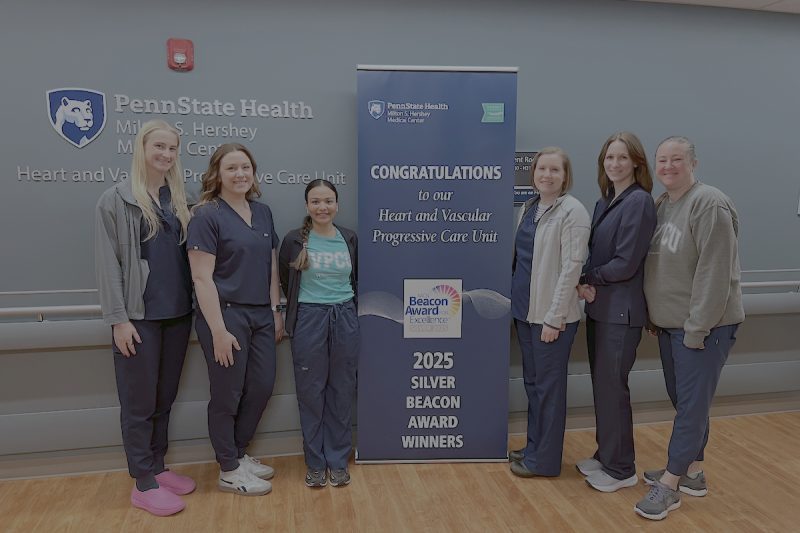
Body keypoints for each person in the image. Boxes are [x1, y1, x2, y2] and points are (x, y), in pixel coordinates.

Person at [635, 136, 744, 520]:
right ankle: (694, 472)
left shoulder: (709, 203)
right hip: (670, 327)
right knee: (686, 403)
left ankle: (669, 484)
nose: (668, 166)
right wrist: (654, 315)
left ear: (693, 163)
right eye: (662, 160)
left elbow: (715, 274)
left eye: (676, 159)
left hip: (703, 328)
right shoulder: (662, 205)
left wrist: (697, 328)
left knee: (691, 409)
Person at [95, 119, 195, 516]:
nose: (166, 155)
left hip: (177, 315)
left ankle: (158, 464)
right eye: (159, 146)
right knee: (138, 403)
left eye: (172, 148)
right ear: (141, 147)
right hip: (138, 320)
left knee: (163, 399)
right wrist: (118, 319)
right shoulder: (115, 200)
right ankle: (143, 481)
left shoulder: (179, 200)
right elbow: (108, 266)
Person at [187, 143, 284, 496]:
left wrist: (275, 310)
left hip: (260, 313)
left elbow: (271, 264)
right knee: (228, 393)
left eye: (246, 167)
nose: (240, 174)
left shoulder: (263, 212)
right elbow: (201, 278)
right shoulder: (206, 214)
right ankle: (228, 468)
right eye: (232, 168)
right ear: (217, 174)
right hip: (225, 315)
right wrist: (218, 330)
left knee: (261, 387)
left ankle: (239, 453)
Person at [577, 132, 657, 493]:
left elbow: (625, 264)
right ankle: (605, 453)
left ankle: (621, 468)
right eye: (609, 158)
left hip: (621, 314)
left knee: (613, 389)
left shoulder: (639, 202)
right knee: (603, 388)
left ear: (637, 163)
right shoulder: (605, 202)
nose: (615, 164)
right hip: (600, 310)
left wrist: (586, 277)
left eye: (622, 158)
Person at [508, 147, 591, 478]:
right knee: (533, 385)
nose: (547, 175)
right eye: (542, 168)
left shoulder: (573, 211)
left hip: (550, 319)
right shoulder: (529, 208)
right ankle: (533, 448)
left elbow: (572, 267)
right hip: (524, 312)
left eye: (554, 170)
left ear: (565, 175)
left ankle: (544, 462)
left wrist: (554, 318)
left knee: (549, 390)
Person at [279, 179, 359, 488]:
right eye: (315, 201)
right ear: (307, 206)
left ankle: (338, 461)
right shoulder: (294, 240)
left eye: (328, 201)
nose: (322, 207)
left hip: (345, 316)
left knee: (341, 391)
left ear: (337, 205)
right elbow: (287, 281)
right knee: (311, 393)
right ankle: (315, 462)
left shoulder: (349, 238)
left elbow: (358, 279)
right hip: (309, 318)